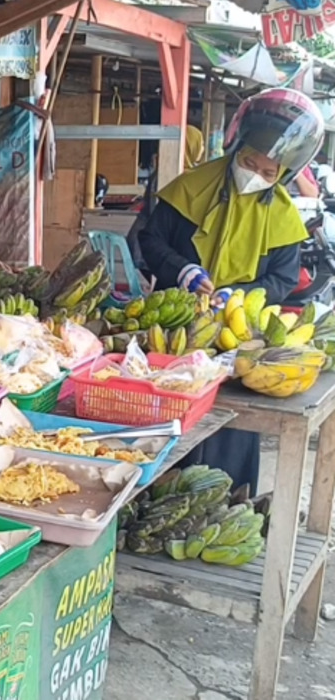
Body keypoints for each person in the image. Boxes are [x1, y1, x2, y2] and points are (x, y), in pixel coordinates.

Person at [137, 87, 324, 493]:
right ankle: (158, 498)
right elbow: (151, 240)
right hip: (176, 332)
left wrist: (240, 295)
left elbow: (282, 280)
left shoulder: (284, 218)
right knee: (173, 418)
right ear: (236, 147)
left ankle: (225, 498)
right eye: (249, 161)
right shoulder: (191, 187)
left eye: (269, 171)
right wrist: (182, 270)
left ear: (285, 175)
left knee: (235, 424)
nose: (256, 173)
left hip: (239, 340)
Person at [127, 125, 206, 270]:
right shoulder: (183, 180)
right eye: (201, 144)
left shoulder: (193, 176)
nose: (203, 148)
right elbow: (155, 212)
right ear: (190, 145)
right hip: (150, 239)